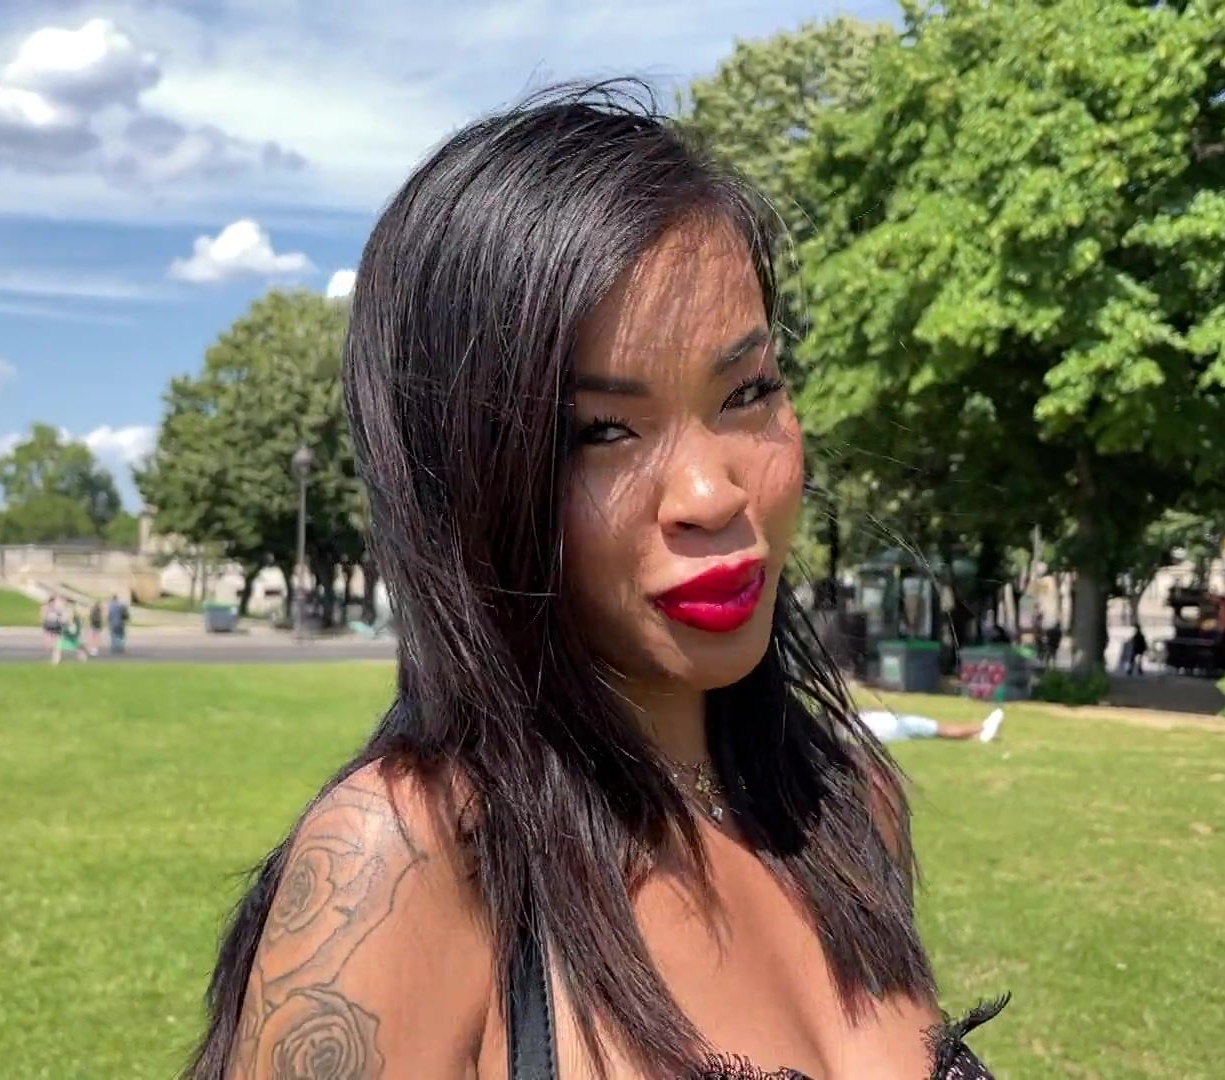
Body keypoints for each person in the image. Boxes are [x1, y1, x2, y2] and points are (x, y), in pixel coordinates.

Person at [186, 87, 1007, 1080]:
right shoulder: (414, 858)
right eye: (602, 432)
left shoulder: (849, 808)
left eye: (747, 392)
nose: (710, 495)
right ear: (464, 482)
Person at [862, 706, 1005, 744]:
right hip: (886, 725)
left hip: (880, 726)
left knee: (937, 733)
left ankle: (981, 736)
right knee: (938, 729)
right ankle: (983, 726)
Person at [41, 595, 65, 663]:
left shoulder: (59, 608)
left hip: (57, 627)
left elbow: (63, 617)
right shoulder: (46, 608)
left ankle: (56, 659)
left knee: (58, 645)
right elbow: (43, 617)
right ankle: (55, 656)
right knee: (49, 645)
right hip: (49, 627)